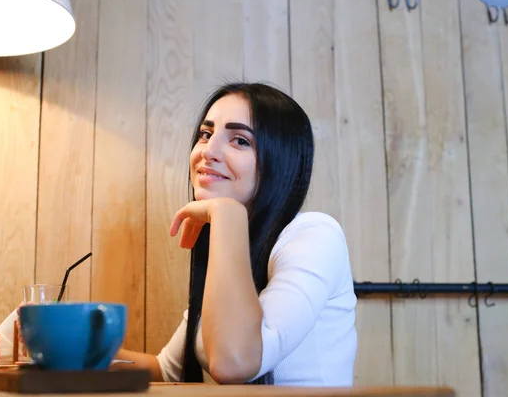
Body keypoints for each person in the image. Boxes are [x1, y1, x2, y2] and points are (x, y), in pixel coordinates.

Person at [115, 82, 357, 386]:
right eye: (206, 134)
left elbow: (235, 361)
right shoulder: (227, 246)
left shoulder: (316, 235)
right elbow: (166, 370)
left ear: (279, 161)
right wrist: (71, 347)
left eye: (240, 140)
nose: (208, 151)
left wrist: (227, 215)